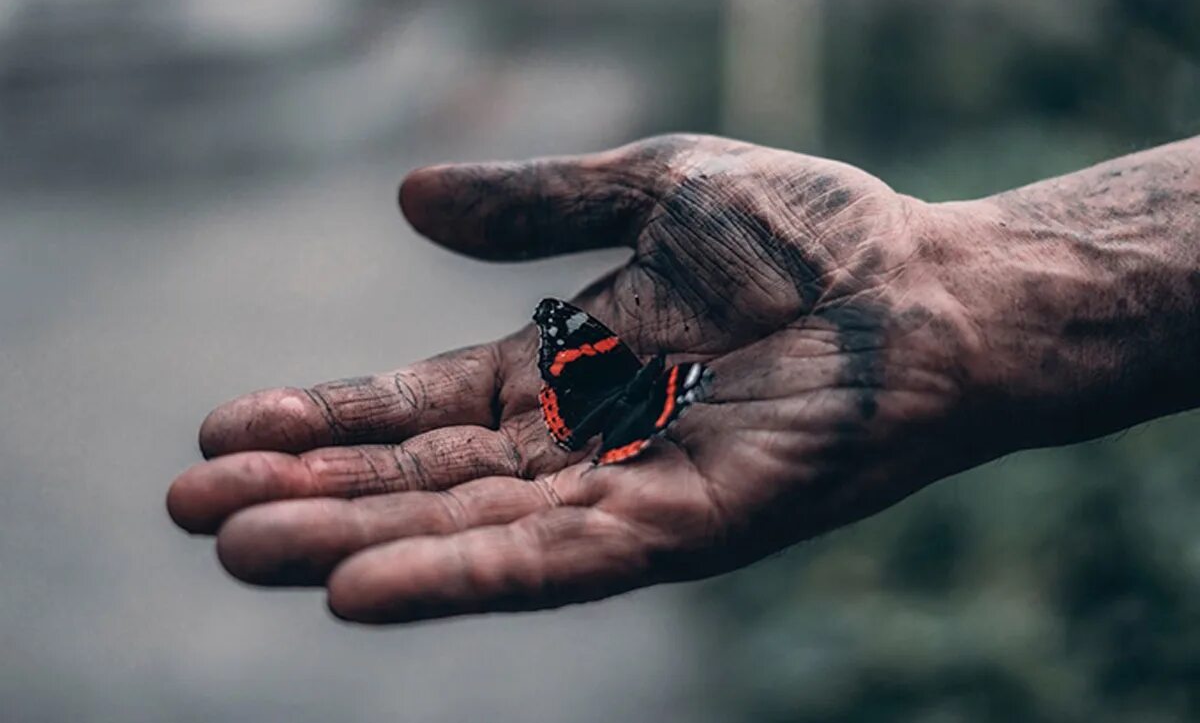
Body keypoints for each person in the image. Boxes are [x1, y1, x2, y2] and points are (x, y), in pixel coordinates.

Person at [166, 133, 1200, 623]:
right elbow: (665, 387)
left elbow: (611, 362)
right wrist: (940, 281)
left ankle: (601, 415)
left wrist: (940, 289)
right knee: (628, 405)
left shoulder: (621, 370)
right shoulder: (669, 387)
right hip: (636, 414)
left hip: (615, 412)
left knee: (612, 400)